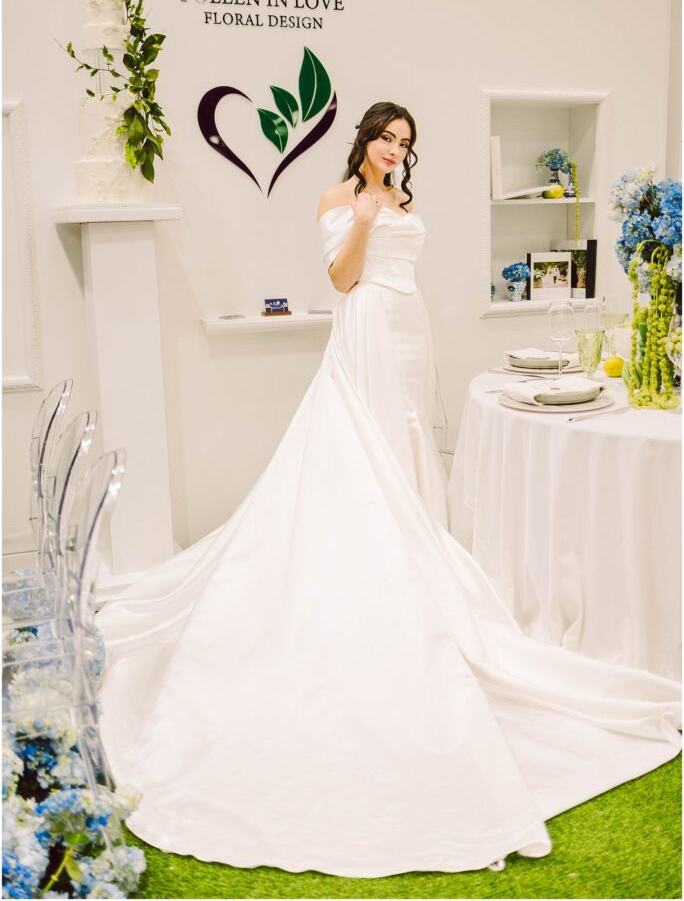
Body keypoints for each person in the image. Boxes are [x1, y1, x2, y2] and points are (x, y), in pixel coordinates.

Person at [96, 102, 681, 880]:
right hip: (366, 323)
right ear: (364, 140)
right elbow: (341, 279)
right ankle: (370, 584)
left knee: (407, 451)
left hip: (410, 330)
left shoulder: (409, 199)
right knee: (362, 455)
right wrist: (368, 211)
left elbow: (403, 267)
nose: (396, 150)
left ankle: (415, 563)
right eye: (387, 138)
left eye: (406, 143)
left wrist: (393, 207)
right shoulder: (340, 200)